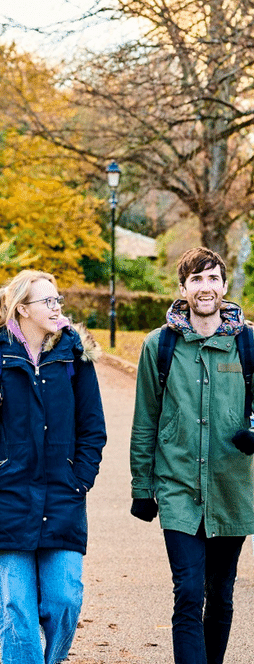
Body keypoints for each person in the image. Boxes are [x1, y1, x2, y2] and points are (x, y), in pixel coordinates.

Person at [0, 269, 106, 664]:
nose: (57, 307)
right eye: (48, 301)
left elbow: (93, 427)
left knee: (65, 601)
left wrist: (80, 479)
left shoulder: (74, 355)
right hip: (5, 495)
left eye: (58, 301)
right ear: (22, 309)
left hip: (62, 495)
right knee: (17, 609)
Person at [130, 247, 254, 664]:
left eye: (213, 278)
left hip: (232, 486)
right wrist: (141, 487)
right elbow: (145, 420)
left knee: (220, 593)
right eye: (197, 280)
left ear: (224, 285)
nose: (206, 288)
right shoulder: (158, 346)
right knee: (187, 592)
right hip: (178, 486)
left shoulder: (248, 343)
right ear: (183, 288)